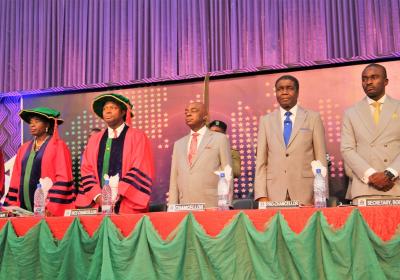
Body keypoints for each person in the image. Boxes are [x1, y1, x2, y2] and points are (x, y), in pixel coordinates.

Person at [76, 93, 154, 213]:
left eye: (113, 108)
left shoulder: (138, 136)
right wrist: (98, 196)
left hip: (127, 204)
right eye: (105, 108)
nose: (107, 111)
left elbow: (140, 167)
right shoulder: (95, 139)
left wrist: (118, 193)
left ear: (123, 112)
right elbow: (86, 169)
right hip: (98, 205)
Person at [254, 75, 327, 205]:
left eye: (289, 88)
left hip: (306, 193)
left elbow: (320, 159)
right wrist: (261, 195)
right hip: (273, 193)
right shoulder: (266, 121)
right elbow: (261, 162)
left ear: (297, 92)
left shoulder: (313, 118)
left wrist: (320, 194)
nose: (284, 92)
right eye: (280, 89)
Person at [341, 63, 400, 203]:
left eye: (374, 77)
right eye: (364, 78)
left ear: (386, 81)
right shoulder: (351, 113)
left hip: (396, 185)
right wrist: (371, 175)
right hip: (364, 187)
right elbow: (347, 149)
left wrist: (391, 173)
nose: (368, 82)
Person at [4, 107, 75, 216]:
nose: (32, 125)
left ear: (47, 125)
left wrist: (51, 207)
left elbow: (63, 178)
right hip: (22, 211)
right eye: (31, 122)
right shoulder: (23, 149)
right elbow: (15, 179)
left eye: (37, 121)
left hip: (47, 211)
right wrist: (12, 206)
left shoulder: (58, 146)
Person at [168, 102, 232, 208]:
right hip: (185, 206)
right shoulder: (178, 144)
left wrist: (225, 204)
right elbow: (174, 178)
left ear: (205, 116)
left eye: (194, 111)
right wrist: (172, 206)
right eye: (186, 112)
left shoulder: (219, 139)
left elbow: (227, 173)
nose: (188, 114)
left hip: (212, 205)